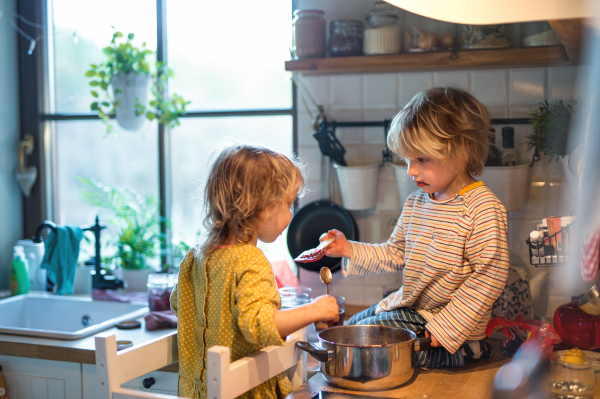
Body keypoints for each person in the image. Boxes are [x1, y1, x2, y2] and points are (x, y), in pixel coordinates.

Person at [323, 87, 510, 368]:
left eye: (421, 159)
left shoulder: (481, 207)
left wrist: (448, 325)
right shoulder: (415, 204)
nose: (411, 170)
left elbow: (490, 275)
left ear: (460, 152)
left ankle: (469, 349)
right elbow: (395, 253)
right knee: (350, 328)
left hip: (445, 324)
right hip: (412, 311)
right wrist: (348, 248)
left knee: (365, 346)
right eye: (408, 159)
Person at [171, 144, 339, 399]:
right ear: (264, 207)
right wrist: (314, 309)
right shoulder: (250, 259)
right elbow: (260, 326)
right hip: (244, 391)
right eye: (288, 204)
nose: (291, 214)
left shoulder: (194, 257)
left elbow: (178, 304)